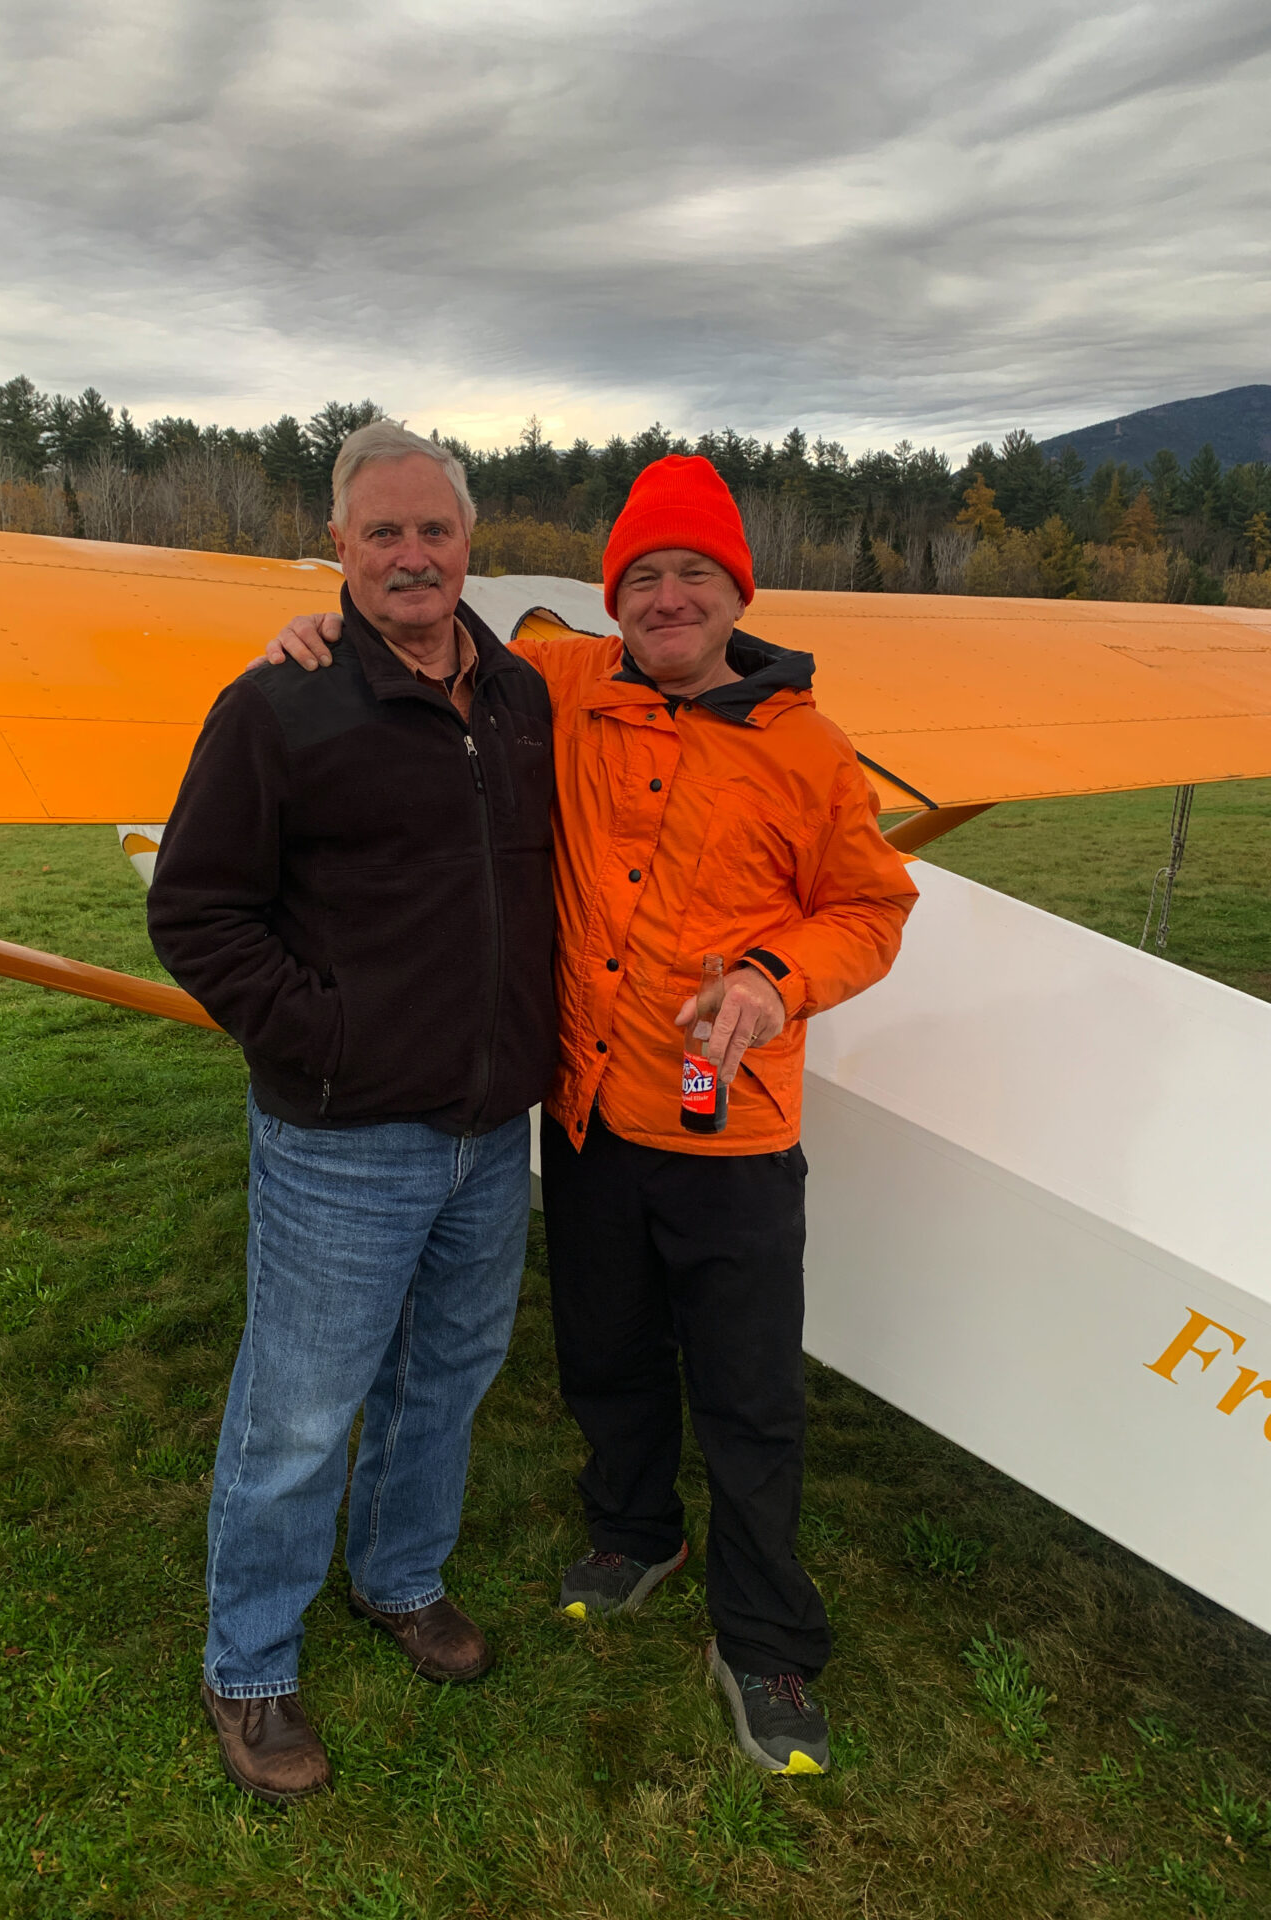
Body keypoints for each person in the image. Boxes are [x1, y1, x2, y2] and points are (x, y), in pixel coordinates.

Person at [265, 453, 918, 1776]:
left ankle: (768, 1638)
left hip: (731, 1134)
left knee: (746, 1396)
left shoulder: (810, 749)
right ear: (614, 595)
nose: (668, 597)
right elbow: (428, 629)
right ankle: (632, 1530)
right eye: (643, 577)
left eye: (695, 575)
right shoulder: (558, 683)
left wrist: (772, 980)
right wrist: (321, 632)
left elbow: (872, 909)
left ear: (738, 591)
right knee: (605, 1351)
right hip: (586, 1119)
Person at [147, 421, 558, 1804]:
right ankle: (248, 1664)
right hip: (342, 1139)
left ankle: (399, 1577)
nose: (410, 554)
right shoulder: (277, 705)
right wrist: (323, 1034)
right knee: (301, 1410)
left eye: (432, 530)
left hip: (490, 1128)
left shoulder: (519, 696)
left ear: (468, 544)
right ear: (336, 547)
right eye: (380, 532)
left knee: (448, 1377)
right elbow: (196, 911)